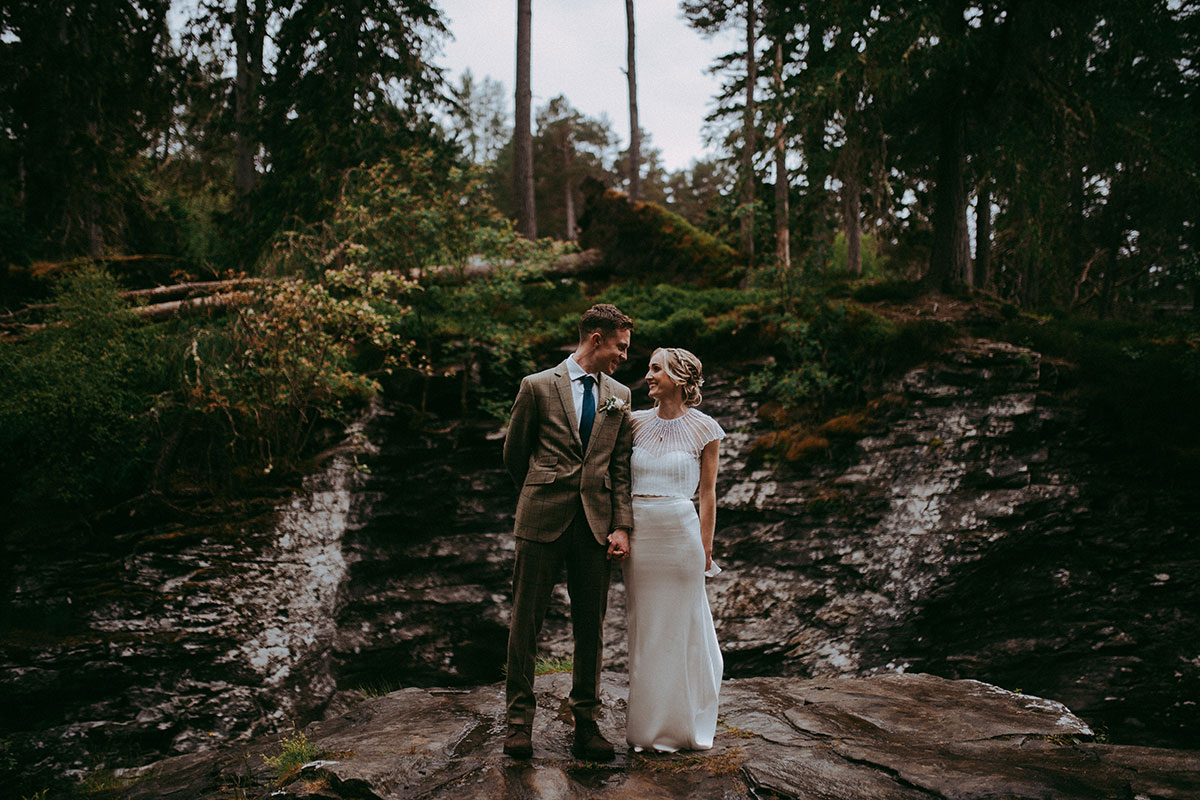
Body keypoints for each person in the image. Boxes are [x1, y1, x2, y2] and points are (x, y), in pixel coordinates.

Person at [501, 303, 635, 760]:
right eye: (620, 346)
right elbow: (514, 455)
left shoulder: (620, 394)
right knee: (525, 622)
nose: (623, 356)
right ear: (596, 338)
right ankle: (518, 723)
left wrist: (621, 525)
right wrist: (540, 491)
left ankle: (587, 724)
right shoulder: (536, 386)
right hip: (540, 519)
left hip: (595, 526)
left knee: (590, 628)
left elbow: (620, 468)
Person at [624, 346, 724, 752]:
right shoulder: (631, 423)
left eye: (656, 368)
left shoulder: (706, 429)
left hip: (681, 537)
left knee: (681, 631)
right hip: (640, 537)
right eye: (649, 368)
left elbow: (709, 495)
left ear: (679, 378)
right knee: (646, 631)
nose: (647, 375)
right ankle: (646, 730)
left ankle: (683, 728)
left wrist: (706, 549)